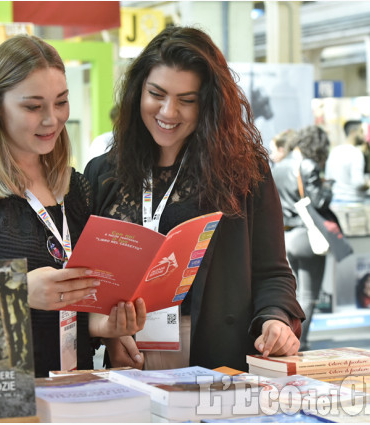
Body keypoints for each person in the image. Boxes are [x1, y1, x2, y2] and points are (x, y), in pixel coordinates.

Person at [0, 34, 146, 377]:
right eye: (33, 107)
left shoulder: (76, 188)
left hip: (73, 390)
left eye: (61, 102)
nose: (52, 119)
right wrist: (15, 289)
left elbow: (69, 304)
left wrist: (101, 327)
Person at [84, 26, 304, 371]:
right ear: (137, 91)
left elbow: (273, 271)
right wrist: (110, 334)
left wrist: (274, 319)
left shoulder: (243, 172)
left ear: (210, 105)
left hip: (216, 355)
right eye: (156, 94)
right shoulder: (103, 173)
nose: (169, 112)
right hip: (129, 354)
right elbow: (88, 281)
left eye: (187, 101)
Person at [272, 125, 332, 351]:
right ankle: (300, 342)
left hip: (287, 236)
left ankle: (291, 338)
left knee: (293, 294)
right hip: (308, 236)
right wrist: (328, 188)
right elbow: (319, 202)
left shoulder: (280, 165)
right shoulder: (308, 165)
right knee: (309, 295)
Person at [325, 120, 369, 203]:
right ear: (353, 132)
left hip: (335, 200)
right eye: (361, 132)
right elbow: (358, 183)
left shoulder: (334, 151)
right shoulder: (356, 153)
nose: (364, 135)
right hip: (353, 201)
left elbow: (328, 179)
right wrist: (367, 185)